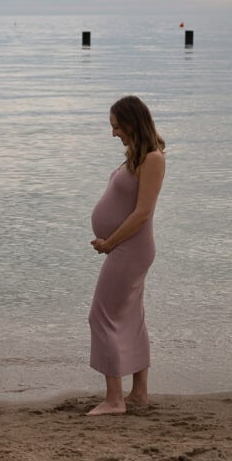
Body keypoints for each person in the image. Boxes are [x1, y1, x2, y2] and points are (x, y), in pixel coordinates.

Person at [87, 95, 166, 416]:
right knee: (130, 317)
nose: (113, 133)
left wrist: (110, 244)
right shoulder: (136, 156)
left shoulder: (153, 158)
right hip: (126, 247)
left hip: (130, 248)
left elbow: (142, 213)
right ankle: (139, 394)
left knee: (101, 316)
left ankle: (114, 399)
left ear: (133, 123)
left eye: (117, 126)